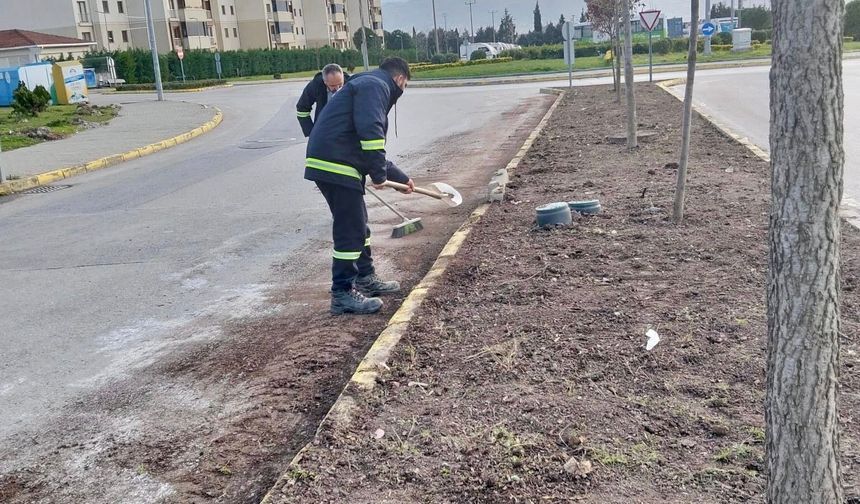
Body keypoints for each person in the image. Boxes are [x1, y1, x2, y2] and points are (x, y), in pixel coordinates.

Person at [304, 57, 414, 315]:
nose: (401, 91)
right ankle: (341, 294)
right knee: (350, 229)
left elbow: (366, 146)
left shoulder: (367, 83)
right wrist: (378, 174)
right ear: (399, 79)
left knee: (358, 223)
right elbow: (370, 133)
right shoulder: (377, 87)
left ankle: (365, 276)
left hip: (336, 158)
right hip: (335, 162)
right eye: (405, 86)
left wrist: (399, 179)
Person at [296, 63, 350, 137]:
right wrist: (311, 133)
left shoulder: (350, 83)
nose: (337, 88)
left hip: (346, 130)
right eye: (333, 86)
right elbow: (302, 108)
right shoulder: (316, 85)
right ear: (325, 82)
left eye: (340, 84)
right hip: (324, 129)